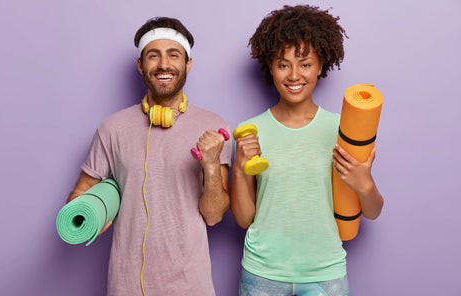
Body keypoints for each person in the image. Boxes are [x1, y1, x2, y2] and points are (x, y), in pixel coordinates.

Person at [66, 16, 232, 296]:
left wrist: (212, 165)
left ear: (188, 64)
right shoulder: (112, 128)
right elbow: (81, 193)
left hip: (191, 285)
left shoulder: (215, 128)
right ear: (141, 65)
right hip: (126, 285)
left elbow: (214, 216)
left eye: (174, 55)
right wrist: (85, 215)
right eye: (153, 56)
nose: (164, 65)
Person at [230, 5, 384, 296]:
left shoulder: (343, 130)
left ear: (320, 66)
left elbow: (373, 212)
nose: (294, 75)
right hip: (262, 274)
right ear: (270, 67)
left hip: (325, 273)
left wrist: (365, 184)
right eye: (283, 64)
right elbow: (243, 219)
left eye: (305, 63)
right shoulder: (250, 130)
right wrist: (239, 167)